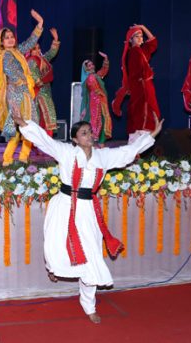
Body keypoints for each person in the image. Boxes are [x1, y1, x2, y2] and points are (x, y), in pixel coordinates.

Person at [14, 112, 163, 323]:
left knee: (91, 255)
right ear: (75, 139)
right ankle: (53, 268)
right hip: (65, 205)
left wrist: (152, 134)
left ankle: (89, 305)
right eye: (84, 133)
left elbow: (128, 151)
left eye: (90, 132)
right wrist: (25, 124)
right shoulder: (66, 151)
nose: (89, 135)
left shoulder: (103, 156)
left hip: (87, 210)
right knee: (55, 246)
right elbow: (44, 141)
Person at [0, 9, 43, 166]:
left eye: (11, 37)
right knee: (15, 125)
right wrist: (18, 81)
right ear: (1, 41)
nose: (10, 39)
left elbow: (30, 42)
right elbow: (4, 73)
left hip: (26, 92)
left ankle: (23, 157)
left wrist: (39, 24)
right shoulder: (0, 56)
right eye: (6, 38)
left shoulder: (18, 51)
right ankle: (7, 158)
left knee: (29, 125)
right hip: (14, 92)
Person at [112, 24, 161, 135]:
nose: (140, 38)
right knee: (144, 114)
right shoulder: (134, 52)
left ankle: (141, 140)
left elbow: (153, 42)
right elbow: (136, 74)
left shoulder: (142, 51)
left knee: (147, 113)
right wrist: (146, 75)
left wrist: (143, 27)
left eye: (141, 36)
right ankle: (140, 141)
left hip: (146, 86)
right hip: (141, 87)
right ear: (130, 39)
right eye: (137, 36)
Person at [26, 28, 60, 137]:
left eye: (38, 48)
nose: (37, 50)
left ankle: (42, 144)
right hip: (39, 92)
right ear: (30, 51)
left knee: (43, 117)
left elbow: (51, 53)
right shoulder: (32, 60)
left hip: (46, 90)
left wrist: (55, 39)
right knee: (48, 115)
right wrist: (39, 82)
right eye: (34, 49)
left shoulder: (42, 59)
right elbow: (33, 75)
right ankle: (42, 143)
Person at [80, 52, 111, 143]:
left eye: (92, 64)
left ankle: (101, 142)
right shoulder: (89, 78)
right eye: (89, 66)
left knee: (103, 120)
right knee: (97, 121)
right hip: (95, 103)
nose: (92, 66)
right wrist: (101, 94)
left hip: (101, 101)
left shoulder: (96, 75)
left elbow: (104, 70)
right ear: (86, 69)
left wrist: (105, 59)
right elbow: (94, 90)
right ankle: (94, 141)